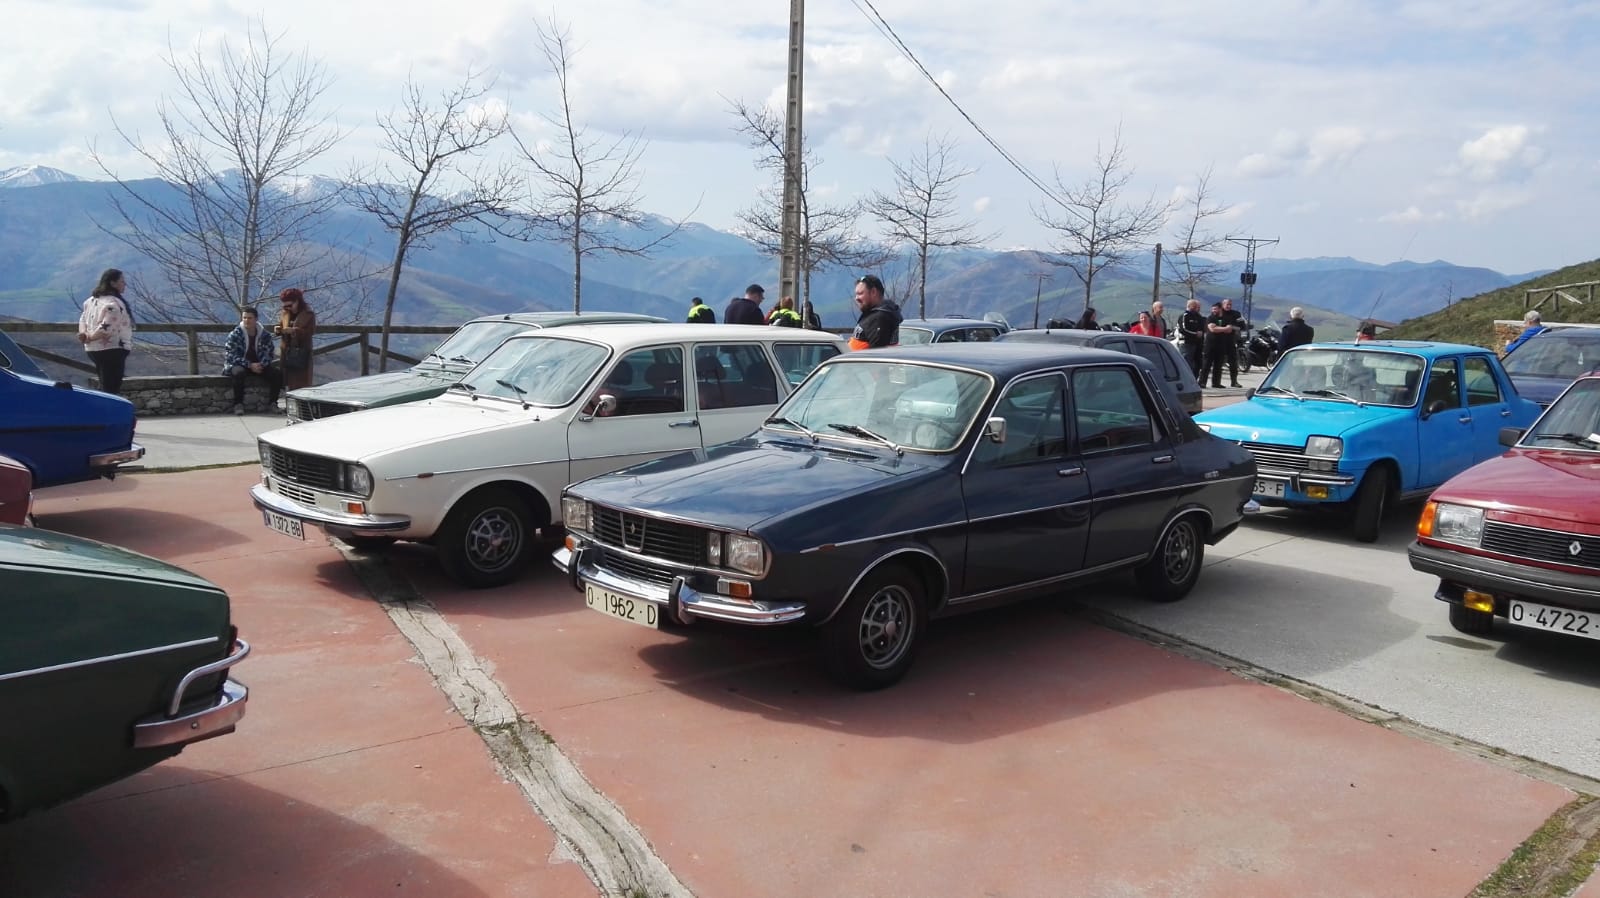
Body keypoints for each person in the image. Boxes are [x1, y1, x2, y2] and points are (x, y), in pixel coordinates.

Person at [76, 267, 135, 395]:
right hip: (113, 348)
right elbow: (107, 327)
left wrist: (84, 334)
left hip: (93, 349)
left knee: (105, 382)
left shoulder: (90, 301)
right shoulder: (113, 304)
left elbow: (83, 319)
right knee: (112, 386)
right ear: (112, 283)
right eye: (122, 281)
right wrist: (91, 337)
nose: (125, 284)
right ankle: (110, 407)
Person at [223, 305, 280, 414]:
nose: (246, 320)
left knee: (277, 374)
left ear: (256, 319)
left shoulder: (265, 335)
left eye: (249, 318)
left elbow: (269, 353)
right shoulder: (235, 334)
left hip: (259, 365)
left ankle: (273, 403)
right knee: (238, 373)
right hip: (240, 364)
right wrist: (249, 365)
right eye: (244, 318)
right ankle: (238, 404)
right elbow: (231, 355)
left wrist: (261, 364)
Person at [276, 287, 317, 393]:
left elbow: (310, 332)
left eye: (290, 305)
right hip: (287, 353)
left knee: (300, 383)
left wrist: (294, 331)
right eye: (285, 306)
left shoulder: (308, 314)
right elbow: (281, 325)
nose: (287, 308)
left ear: (297, 301)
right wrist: (279, 329)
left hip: (301, 353)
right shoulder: (285, 313)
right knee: (286, 381)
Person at [848, 274, 902, 350]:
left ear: (873, 292)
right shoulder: (872, 313)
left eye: (860, 293)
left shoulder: (880, 318)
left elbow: (876, 353)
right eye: (856, 294)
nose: (856, 298)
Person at [1206, 298, 1244, 388]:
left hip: (1230, 340)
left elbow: (1242, 327)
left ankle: (1234, 381)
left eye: (1230, 304)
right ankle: (1213, 382)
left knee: (1233, 361)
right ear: (1222, 305)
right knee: (1216, 362)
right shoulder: (1218, 313)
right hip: (1218, 341)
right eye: (1227, 304)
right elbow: (1212, 324)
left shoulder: (1236, 314)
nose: (1228, 306)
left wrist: (1232, 327)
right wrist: (1224, 328)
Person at [1178, 299, 1206, 376]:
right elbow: (1183, 329)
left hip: (1196, 344)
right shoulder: (1185, 316)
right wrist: (1195, 334)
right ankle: (1186, 379)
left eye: (1197, 306)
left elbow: (1201, 329)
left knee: (1197, 364)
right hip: (1186, 343)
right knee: (1187, 363)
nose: (1196, 308)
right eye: (1195, 306)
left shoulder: (1197, 317)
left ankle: (1194, 379)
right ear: (1189, 306)